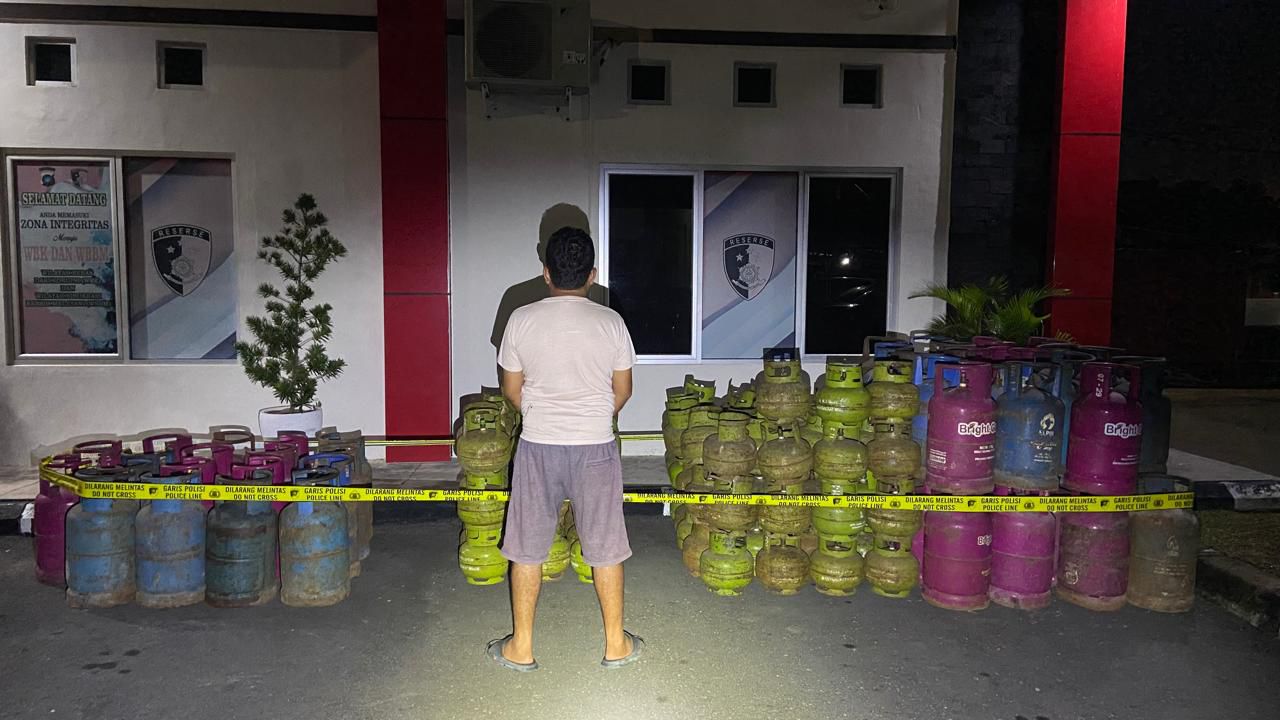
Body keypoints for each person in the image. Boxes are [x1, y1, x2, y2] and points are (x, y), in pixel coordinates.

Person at [488, 226, 642, 671]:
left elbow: (511, 389)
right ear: (592, 275)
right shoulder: (611, 322)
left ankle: (521, 648)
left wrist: (544, 414)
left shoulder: (521, 318)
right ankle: (616, 645)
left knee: (527, 548)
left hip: (538, 446)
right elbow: (623, 390)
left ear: (546, 272)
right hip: (595, 448)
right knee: (606, 547)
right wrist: (590, 416)